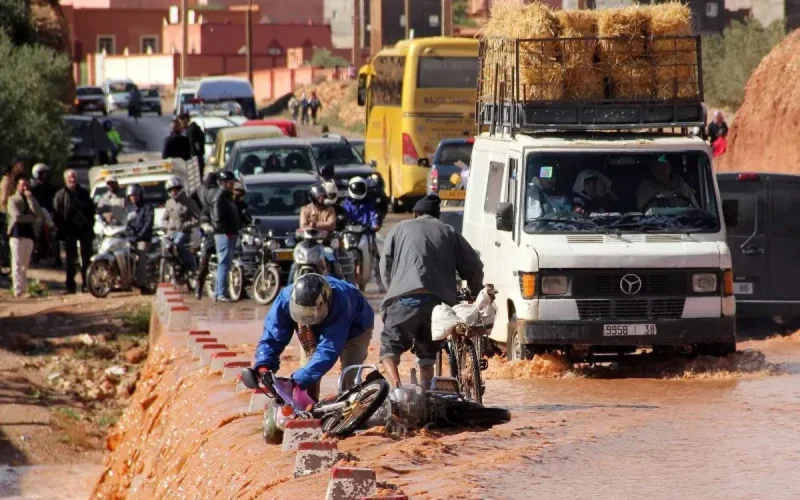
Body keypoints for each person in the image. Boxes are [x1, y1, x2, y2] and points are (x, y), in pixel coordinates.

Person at [379, 194, 484, 390]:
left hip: (405, 301)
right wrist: (475, 292)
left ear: (415, 213)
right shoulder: (449, 232)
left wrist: (393, 292)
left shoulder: (399, 228)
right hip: (439, 306)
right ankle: (427, 393)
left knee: (388, 350)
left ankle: (397, 390)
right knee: (427, 355)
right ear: (437, 215)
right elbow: (474, 268)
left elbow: (385, 267)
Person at [253, 273, 374, 400]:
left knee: (349, 376)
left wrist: (295, 382)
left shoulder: (341, 302)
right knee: (307, 373)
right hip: (308, 328)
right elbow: (273, 335)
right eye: (304, 314)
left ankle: (351, 409)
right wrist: (263, 366)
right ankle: (309, 408)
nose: (308, 318)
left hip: (356, 327)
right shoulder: (285, 299)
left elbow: (328, 350)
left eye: (311, 315)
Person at [53, 169, 96, 294]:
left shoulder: (84, 193)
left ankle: (87, 285)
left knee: (86, 259)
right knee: (71, 260)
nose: (72, 180)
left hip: (84, 230)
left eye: (74, 177)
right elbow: (57, 215)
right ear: (65, 179)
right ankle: (70, 286)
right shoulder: (60, 195)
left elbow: (91, 211)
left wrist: (89, 226)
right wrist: (61, 229)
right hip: (69, 231)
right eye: (70, 178)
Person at [6, 175, 43, 297]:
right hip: (16, 234)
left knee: (25, 264)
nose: (25, 187)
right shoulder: (12, 199)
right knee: (16, 262)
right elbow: (17, 217)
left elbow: (39, 213)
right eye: (23, 185)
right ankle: (18, 290)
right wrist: (31, 218)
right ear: (17, 186)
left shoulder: (31, 199)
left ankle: (24, 287)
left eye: (27, 185)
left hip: (29, 234)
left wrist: (31, 199)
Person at [211, 171, 241, 302]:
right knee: (223, 263)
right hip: (224, 234)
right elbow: (218, 218)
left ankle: (220, 292)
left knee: (226, 263)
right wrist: (227, 230)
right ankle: (221, 293)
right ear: (224, 182)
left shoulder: (226, 196)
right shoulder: (220, 197)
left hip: (229, 233)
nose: (233, 185)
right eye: (231, 182)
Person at [162, 176, 200, 276]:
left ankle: (191, 267)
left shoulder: (189, 202)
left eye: (176, 190)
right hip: (171, 232)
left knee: (178, 244)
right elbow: (164, 218)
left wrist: (185, 225)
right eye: (171, 190)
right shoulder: (168, 203)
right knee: (164, 245)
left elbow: (197, 219)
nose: (174, 192)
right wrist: (167, 225)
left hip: (185, 232)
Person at [125, 184, 155, 290]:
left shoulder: (148, 207)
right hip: (129, 238)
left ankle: (142, 284)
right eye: (131, 196)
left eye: (136, 195)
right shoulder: (128, 209)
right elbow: (123, 223)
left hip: (143, 239)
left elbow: (148, 223)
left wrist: (139, 235)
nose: (133, 197)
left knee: (141, 254)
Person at [195, 171, 219, 299]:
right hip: (210, 236)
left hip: (226, 235)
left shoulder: (226, 202)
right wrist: (207, 227)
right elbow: (203, 219)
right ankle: (199, 286)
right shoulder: (207, 207)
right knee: (204, 260)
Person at [30, 163, 59, 267]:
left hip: (48, 214)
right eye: (43, 173)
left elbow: (53, 200)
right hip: (36, 214)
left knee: (54, 232)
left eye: (46, 173)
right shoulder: (33, 187)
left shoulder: (48, 186)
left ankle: (55, 256)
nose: (45, 175)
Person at [180, 113, 206, 177]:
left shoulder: (191, 130)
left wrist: (192, 161)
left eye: (181, 122)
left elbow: (193, 148)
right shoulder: (194, 128)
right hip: (198, 159)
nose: (180, 125)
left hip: (195, 161)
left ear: (185, 120)